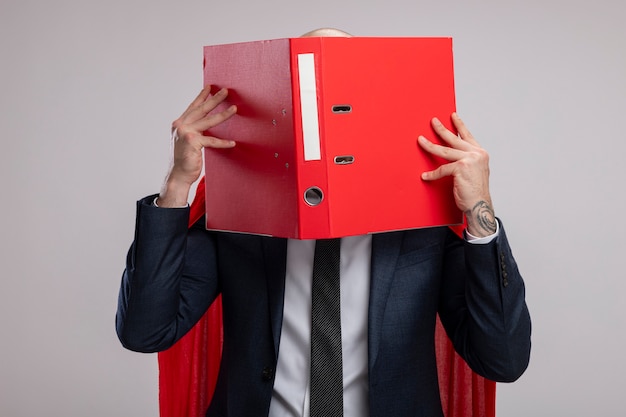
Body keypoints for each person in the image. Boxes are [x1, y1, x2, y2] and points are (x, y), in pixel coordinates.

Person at [116, 28, 531, 417]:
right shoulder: (240, 215)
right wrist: (176, 186)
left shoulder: (426, 220)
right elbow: (145, 331)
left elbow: (503, 359)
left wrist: (480, 209)